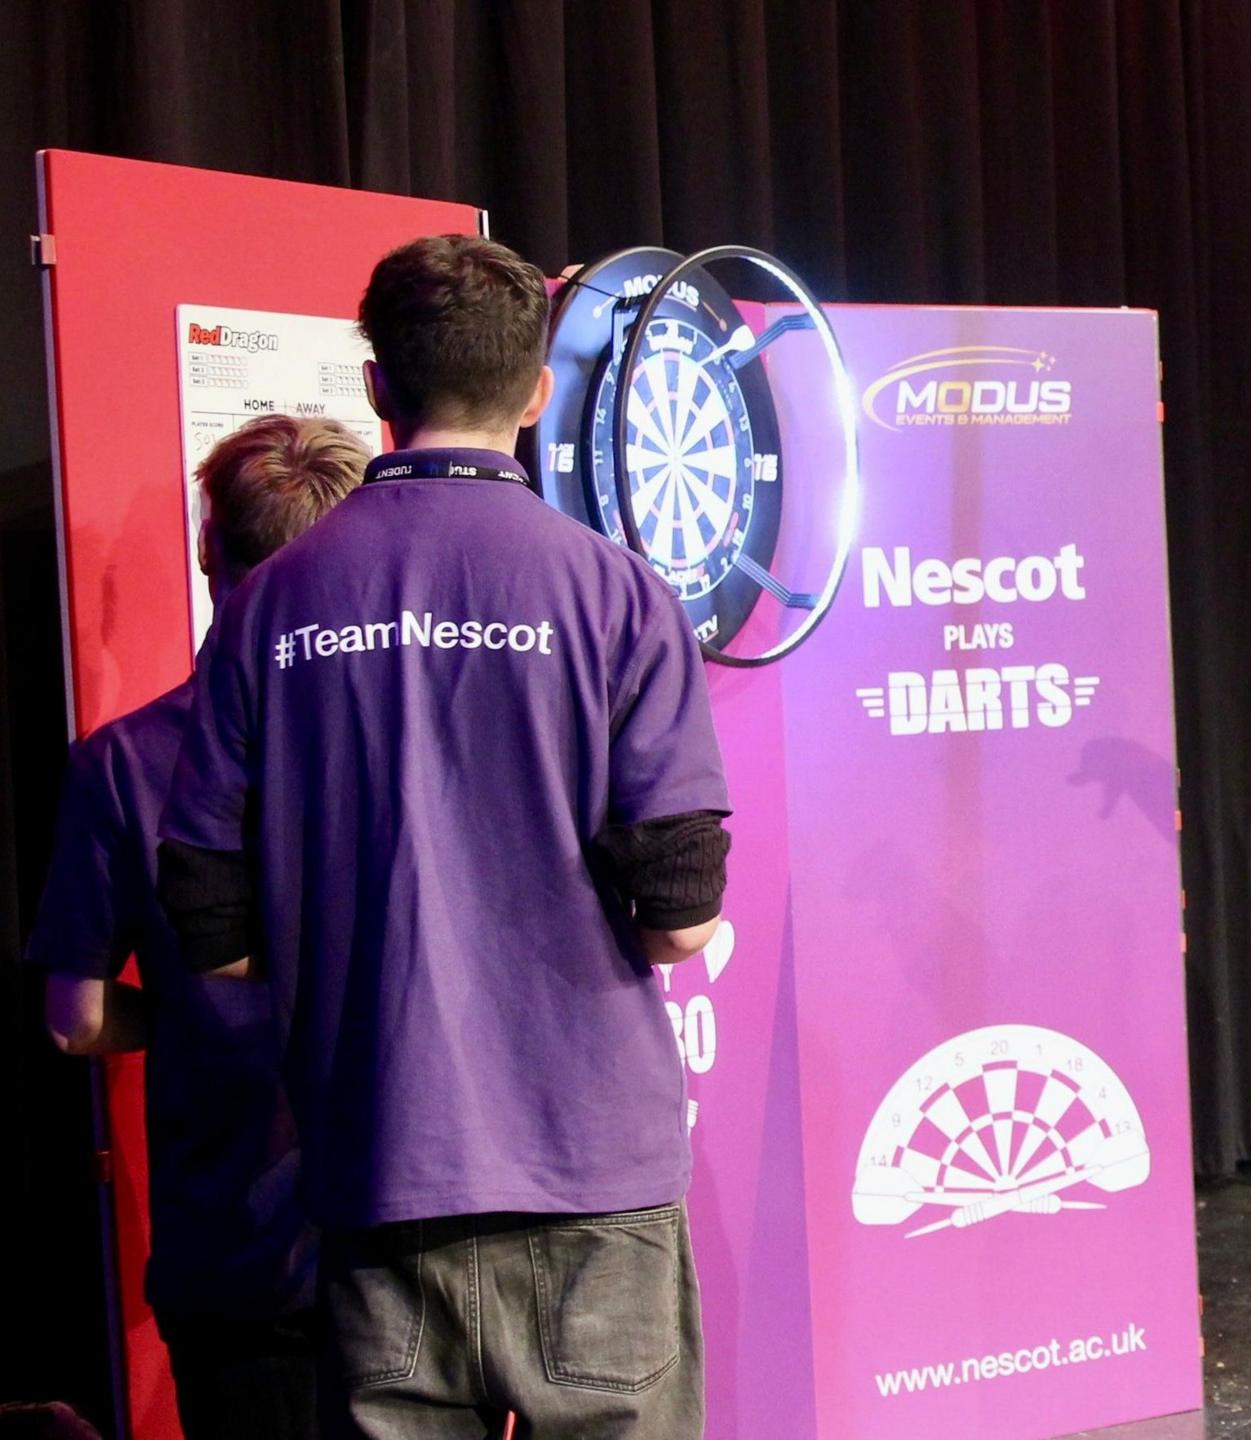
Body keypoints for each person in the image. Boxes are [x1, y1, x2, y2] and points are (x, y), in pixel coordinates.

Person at [158, 235, 732, 1439]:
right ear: (537, 390)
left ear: (375, 386)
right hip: (592, 1182)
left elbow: (206, 927)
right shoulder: (621, 595)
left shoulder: (266, 607)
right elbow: (677, 914)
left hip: (375, 1173)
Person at [27, 414, 366, 1440]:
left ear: (208, 549)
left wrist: (185, 1010)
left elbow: (71, 1018)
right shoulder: (406, 737)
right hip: (415, 1233)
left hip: (236, 1254)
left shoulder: (124, 764)